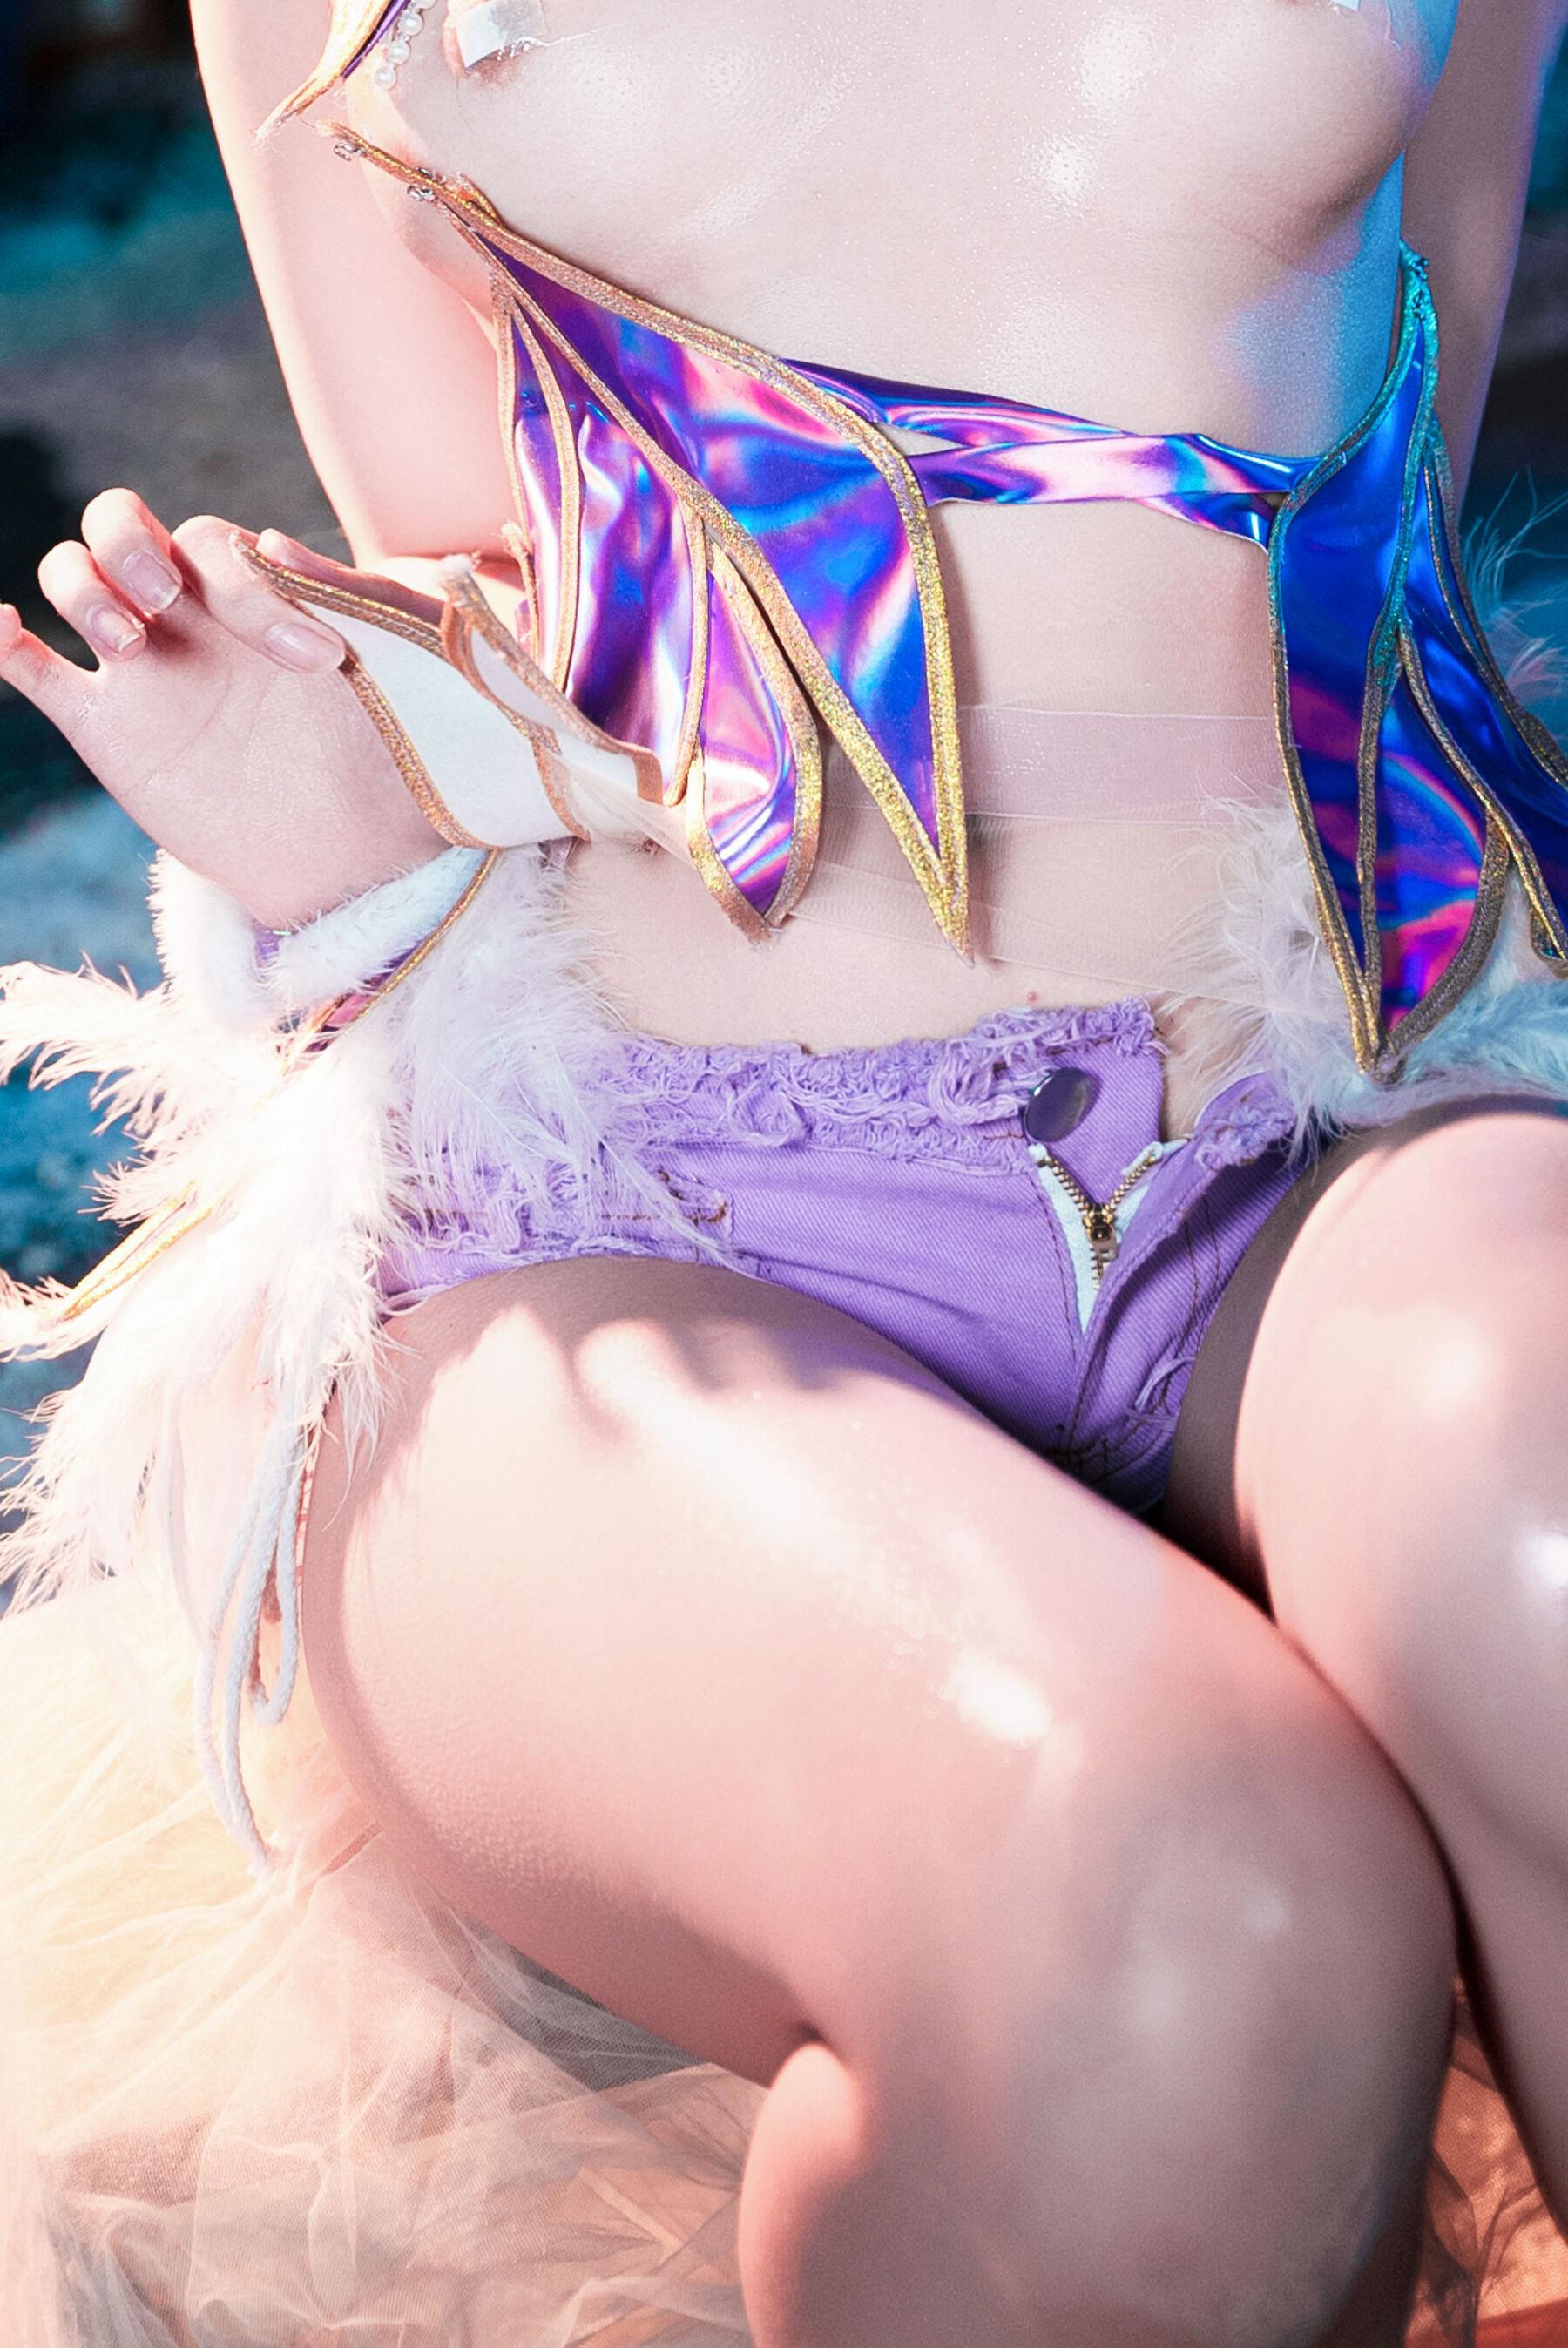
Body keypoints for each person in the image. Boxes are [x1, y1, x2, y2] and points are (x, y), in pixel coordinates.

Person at [3, 1, 1568, 2339]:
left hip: (1307, 1121)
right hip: (618, 1213)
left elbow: (1397, 438)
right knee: (1180, 1903)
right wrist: (316, 796)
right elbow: (457, 547)